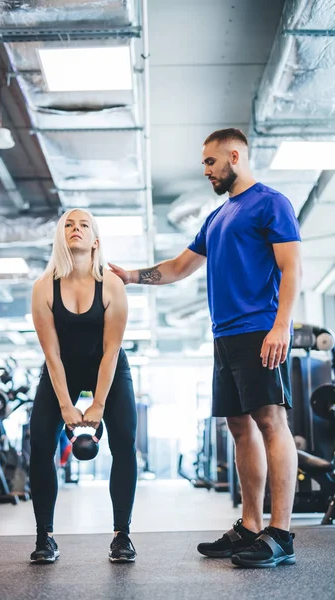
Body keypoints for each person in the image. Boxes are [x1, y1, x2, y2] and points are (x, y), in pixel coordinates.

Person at [109, 128, 302, 569]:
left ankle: (281, 533)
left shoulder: (271, 202)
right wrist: (132, 276)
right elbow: (180, 266)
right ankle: (251, 526)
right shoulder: (217, 217)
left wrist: (280, 327)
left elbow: (291, 266)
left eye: (211, 163)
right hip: (225, 335)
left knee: (271, 421)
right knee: (239, 426)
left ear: (234, 156)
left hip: (259, 330)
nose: (206, 171)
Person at [30, 208, 137, 564]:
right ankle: (44, 537)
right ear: (61, 236)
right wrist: (65, 405)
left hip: (107, 366)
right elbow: (51, 354)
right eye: (69, 225)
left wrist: (98, 405)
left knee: (124, 442)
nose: (76, 229)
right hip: (62, 369)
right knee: (40, 441)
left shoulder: (112, 284)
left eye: (84, 225)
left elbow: (111, 351)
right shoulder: (45, 287)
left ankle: (122, 535)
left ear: (95, 241)